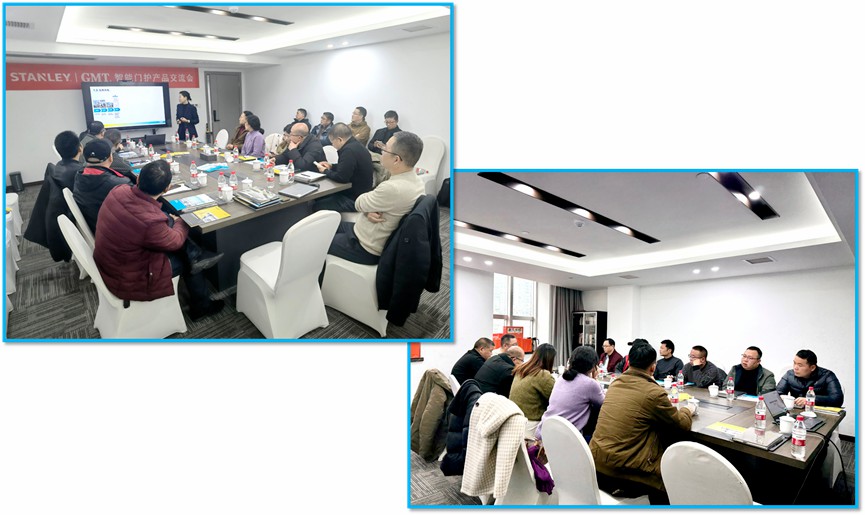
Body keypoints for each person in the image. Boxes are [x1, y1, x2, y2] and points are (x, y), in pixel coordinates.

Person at [93, 160, 224, 320]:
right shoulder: (150, 221)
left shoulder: (119, 190)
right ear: (167, 188)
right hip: (128, 275)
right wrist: (181, 221)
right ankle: (202, 306)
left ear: (138, 178)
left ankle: (195, 255)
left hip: (111, 259)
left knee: (168, 222)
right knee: (189, 262)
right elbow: (175, 241)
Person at [590, 342, 693, 504]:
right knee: (672, 473)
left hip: (596, 463)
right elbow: (682, 425)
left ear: (628, 361)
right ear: (653, 367)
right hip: (624, 473)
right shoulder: (654, 393)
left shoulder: (615, 384)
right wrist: (688, 409)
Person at [325, 131, 425, 265]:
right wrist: (369, 210)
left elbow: (359, 203)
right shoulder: (417, 182)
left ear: (396, 159)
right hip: (366, 231)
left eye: (385, 148)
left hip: (366, 246)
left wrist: (368, 207)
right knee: (330, 225)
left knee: (319, 240)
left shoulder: (392, 188)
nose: (381, 151)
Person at [536, 345, 605, 442]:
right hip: (566, 438)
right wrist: (595, 378)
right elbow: (604, 404)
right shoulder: (590, 384)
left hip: (544, 430)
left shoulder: (562, 378)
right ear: (593, 366)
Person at [72, 139, 134, 233]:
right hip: (114, 232)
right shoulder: (120, 184)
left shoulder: (79, 175)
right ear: (111, 158)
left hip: (94, 225)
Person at [313, 122, 374, 212]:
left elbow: (342, 178)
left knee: (317, 205)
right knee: (321, 197)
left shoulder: (348, 151)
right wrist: (331, 166)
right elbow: (349, 167)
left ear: (339, 139)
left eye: (332, 143)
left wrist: (325, 171)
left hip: (355, 199)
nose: (333, 145)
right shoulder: (357, 145)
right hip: (362, 193)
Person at [509, 343, 556, 437]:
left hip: (515, 421)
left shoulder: (521, 369)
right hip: (531, 424)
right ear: (550, 359)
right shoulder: (542, 375)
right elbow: (556, 398)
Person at [776, 349, 843, 407]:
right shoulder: (789, 374)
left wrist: (810, 400)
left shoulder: (827, 375)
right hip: (797, 412)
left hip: (818, 412)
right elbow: (776, 394)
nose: (795, 368)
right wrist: (783, 397)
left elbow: (837, 399)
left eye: (800, 365)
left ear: (812, 368)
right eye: (794, 363)